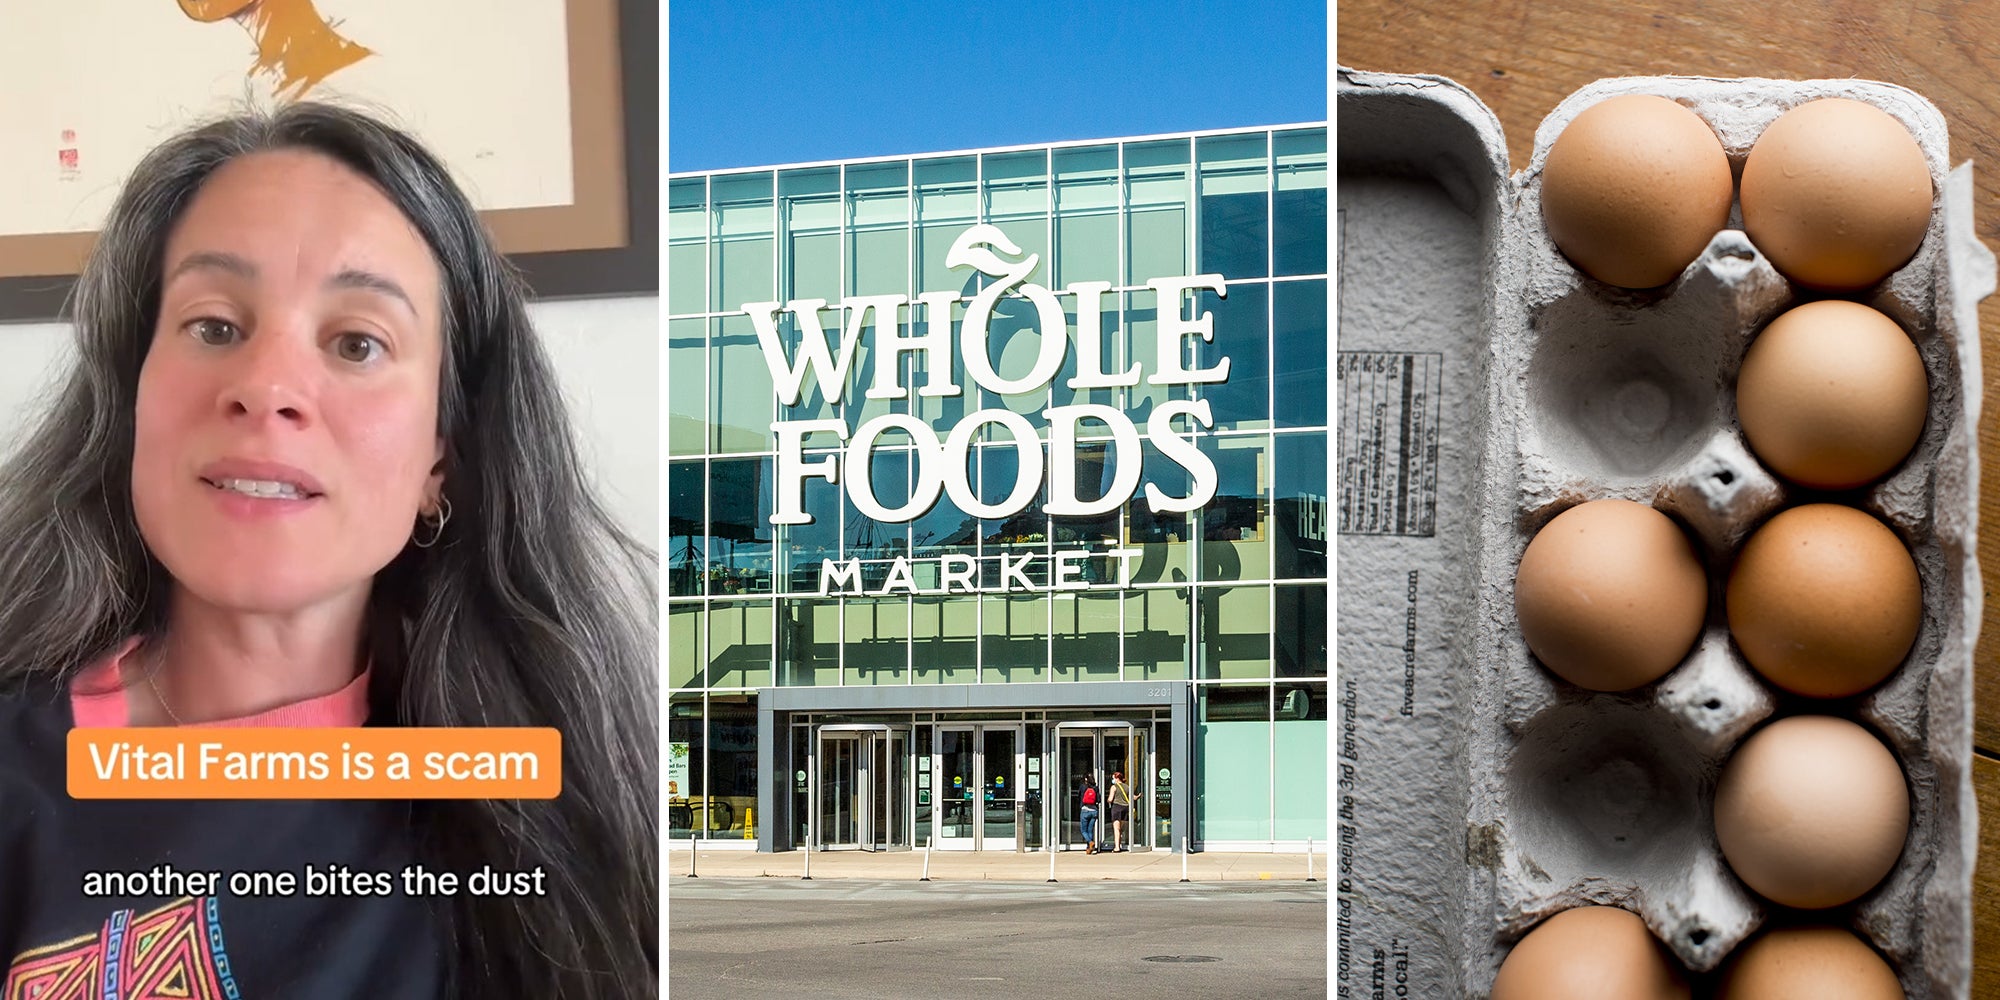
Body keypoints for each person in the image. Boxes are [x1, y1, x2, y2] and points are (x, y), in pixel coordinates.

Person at [0, 102, 657, 998]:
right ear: (132, 397)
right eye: (214, 326)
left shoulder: (546, 818)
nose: (267, 387)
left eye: (358, 343)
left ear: (442, 459)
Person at [1107, 770, 1132, 852]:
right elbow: (1133, 797)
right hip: (1125, 808)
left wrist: (1107, 801)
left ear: (1117, 778)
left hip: (1117, 808)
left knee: (1116, 829)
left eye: (1113, 778)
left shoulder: (1114, 787)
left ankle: (1117, 847)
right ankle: (1123, 844)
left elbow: (1110, 799)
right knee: (1121, 828)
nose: (1113, 779)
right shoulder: (1127, 787)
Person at [1079, 776, 1100, 854]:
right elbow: (1099, 799)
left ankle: (1090, 842)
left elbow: (1080, 797)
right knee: (1090, 830)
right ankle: (1089, 849)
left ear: (1086, 779)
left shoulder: (1083, 787)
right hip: (1094, 811)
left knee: (1084, 830)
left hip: (1085, 810)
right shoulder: (1096, 788)